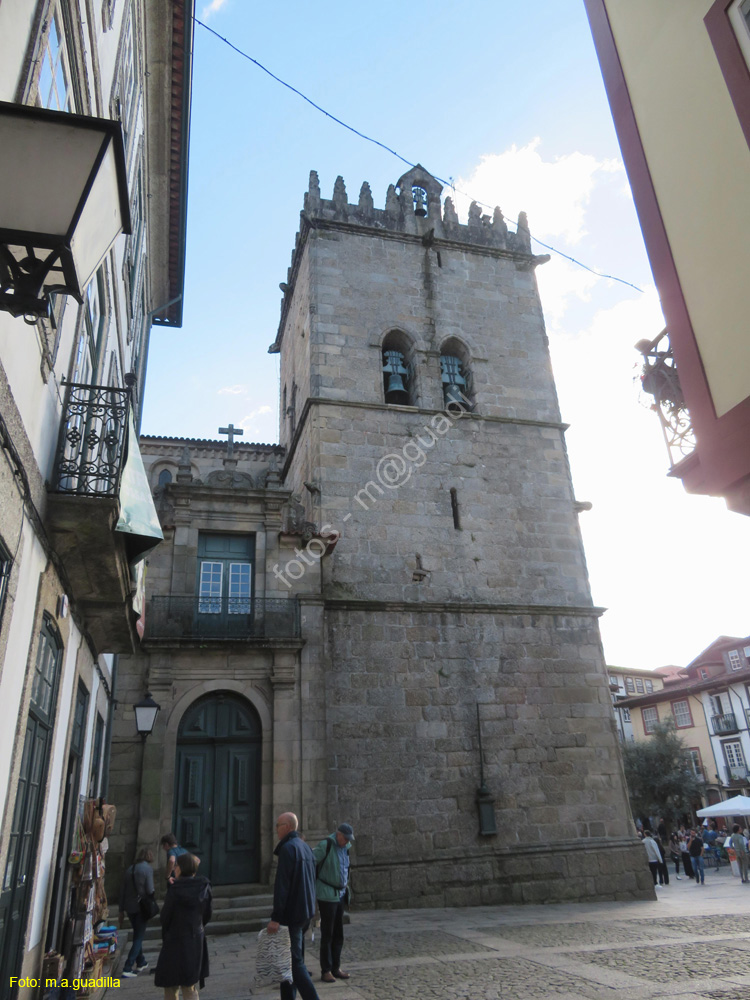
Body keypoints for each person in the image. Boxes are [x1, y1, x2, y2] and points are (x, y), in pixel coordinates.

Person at [267, 812, 320, 1000]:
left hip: (292, 915)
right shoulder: (305, 848)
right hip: (305, 912)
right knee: (288, 962)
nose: (276, 829)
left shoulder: (288, 849)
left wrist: (276, 917)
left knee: (294, 964)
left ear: (287, 827)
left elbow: (282, 886)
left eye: (278, 825)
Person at [154, 853, 212, 999]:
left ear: (181, 868)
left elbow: (165, 917)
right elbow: (208, 913)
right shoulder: (204, 887)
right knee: (189, 982)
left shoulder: (174, 890)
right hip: (194, 937)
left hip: (175, 938)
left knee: (171, 983)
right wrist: (198, 926)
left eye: (176, 866)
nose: (174, 869)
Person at [313, 823, 354, 983]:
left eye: (348, 839)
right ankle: (326, 970)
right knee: (327, 933)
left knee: (338, 933)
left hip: (341, 894)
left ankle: (336, 967)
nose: (346, 841)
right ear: (338, 834)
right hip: (327, 894)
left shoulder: (346, 847)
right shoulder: (326, 844)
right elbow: (311, 861)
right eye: (345, 838)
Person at [119, 848, 155, 978]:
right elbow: (150, 890)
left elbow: (122, 891)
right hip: (141, 908)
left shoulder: (130, 869)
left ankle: (141, 962)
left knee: (137, 934)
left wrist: (120, 910)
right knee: (139, 937)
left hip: (129, 908)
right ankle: (128, 967)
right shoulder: (147, 869)